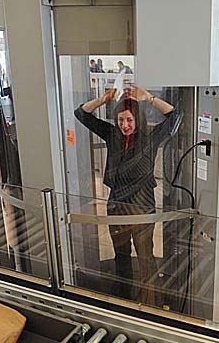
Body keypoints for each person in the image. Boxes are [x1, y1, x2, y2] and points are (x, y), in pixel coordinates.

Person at [75, 85, 178, 305]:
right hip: (117, 206)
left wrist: (148, 98)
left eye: (130, 120)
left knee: (145, 258)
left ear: (138, 120)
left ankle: (150, 301)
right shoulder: (112, 134)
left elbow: (174, 115)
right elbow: (81, 113)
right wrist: (103, 99)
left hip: (142, 207)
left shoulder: (150, 137)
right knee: (121, 256)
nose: (125, 125)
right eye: (121, 120)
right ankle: (123, 300)